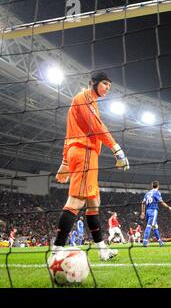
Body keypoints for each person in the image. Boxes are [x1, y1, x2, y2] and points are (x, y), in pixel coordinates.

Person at [54, 71, 129, 261]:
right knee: (76, 200)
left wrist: (64, 162)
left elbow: (68, 133)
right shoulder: (84, 98)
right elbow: (96, 127)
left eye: (109, 86)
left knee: (94, 203)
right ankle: (57, 251)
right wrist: (116, 148)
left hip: (83, 153)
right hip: (84, 151)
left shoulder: (90, 101)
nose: (107, 89)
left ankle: (103, 251)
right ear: (93, 83)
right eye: (105, 84)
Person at [140, 181, 171, 247]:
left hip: (147, 211)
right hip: (153, 210)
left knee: (155, 227)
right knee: (149, 226)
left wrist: (143, 212)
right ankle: (145, 242)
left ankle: (160, 242)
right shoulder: (156, 192)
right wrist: (168, 207)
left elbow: (143, 203)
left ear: (152, 186)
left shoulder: (147, 193)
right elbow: (161, 202)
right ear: (158, 186)